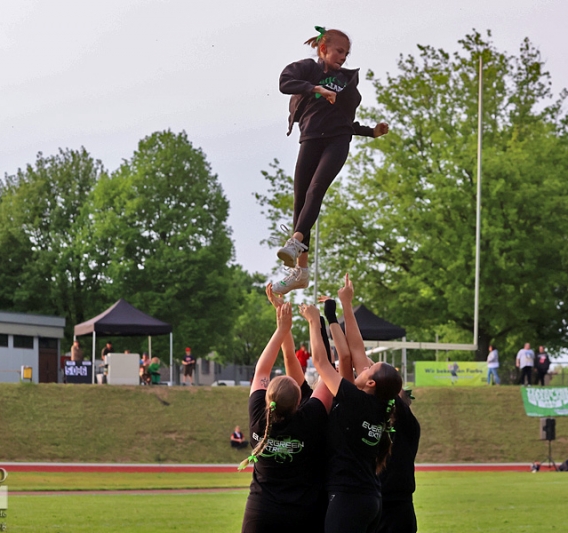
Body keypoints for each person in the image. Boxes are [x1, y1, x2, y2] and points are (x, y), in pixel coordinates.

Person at [273, 26, 389, 295]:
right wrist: (315, 88)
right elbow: (284, 82)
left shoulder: (345, 81)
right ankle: (300, 274)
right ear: (323, 49)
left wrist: (371, 131)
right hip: (310, 139)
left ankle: (295, 241)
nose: (343, 57)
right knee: (300, 202)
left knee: (316, 190)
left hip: (337, 142)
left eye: (347, 53)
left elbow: (346, 122)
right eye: (339, 51)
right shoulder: (307, 69)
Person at [305, 273, 403, 533]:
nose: (365, 365)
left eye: (369, 369)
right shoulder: (380, 405)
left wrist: (314, 323)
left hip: (348, 499)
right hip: (370, 499)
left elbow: (322, 363)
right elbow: (354, 352)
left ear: (370, 383)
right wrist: (341, 308)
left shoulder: (357, 401)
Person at [239, 301, 334, 533]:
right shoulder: (310, 419)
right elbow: (326, 369)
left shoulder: (259, 419)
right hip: (303, 515)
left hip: (260, 513)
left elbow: (262, 370)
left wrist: (282, 328)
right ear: (299, 399)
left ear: (267, 397)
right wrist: (313, 323)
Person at [376, 388, 421, 533]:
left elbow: (387, 386)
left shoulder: (408, 426)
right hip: (376, 503)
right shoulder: (379, 426)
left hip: (397, 508)